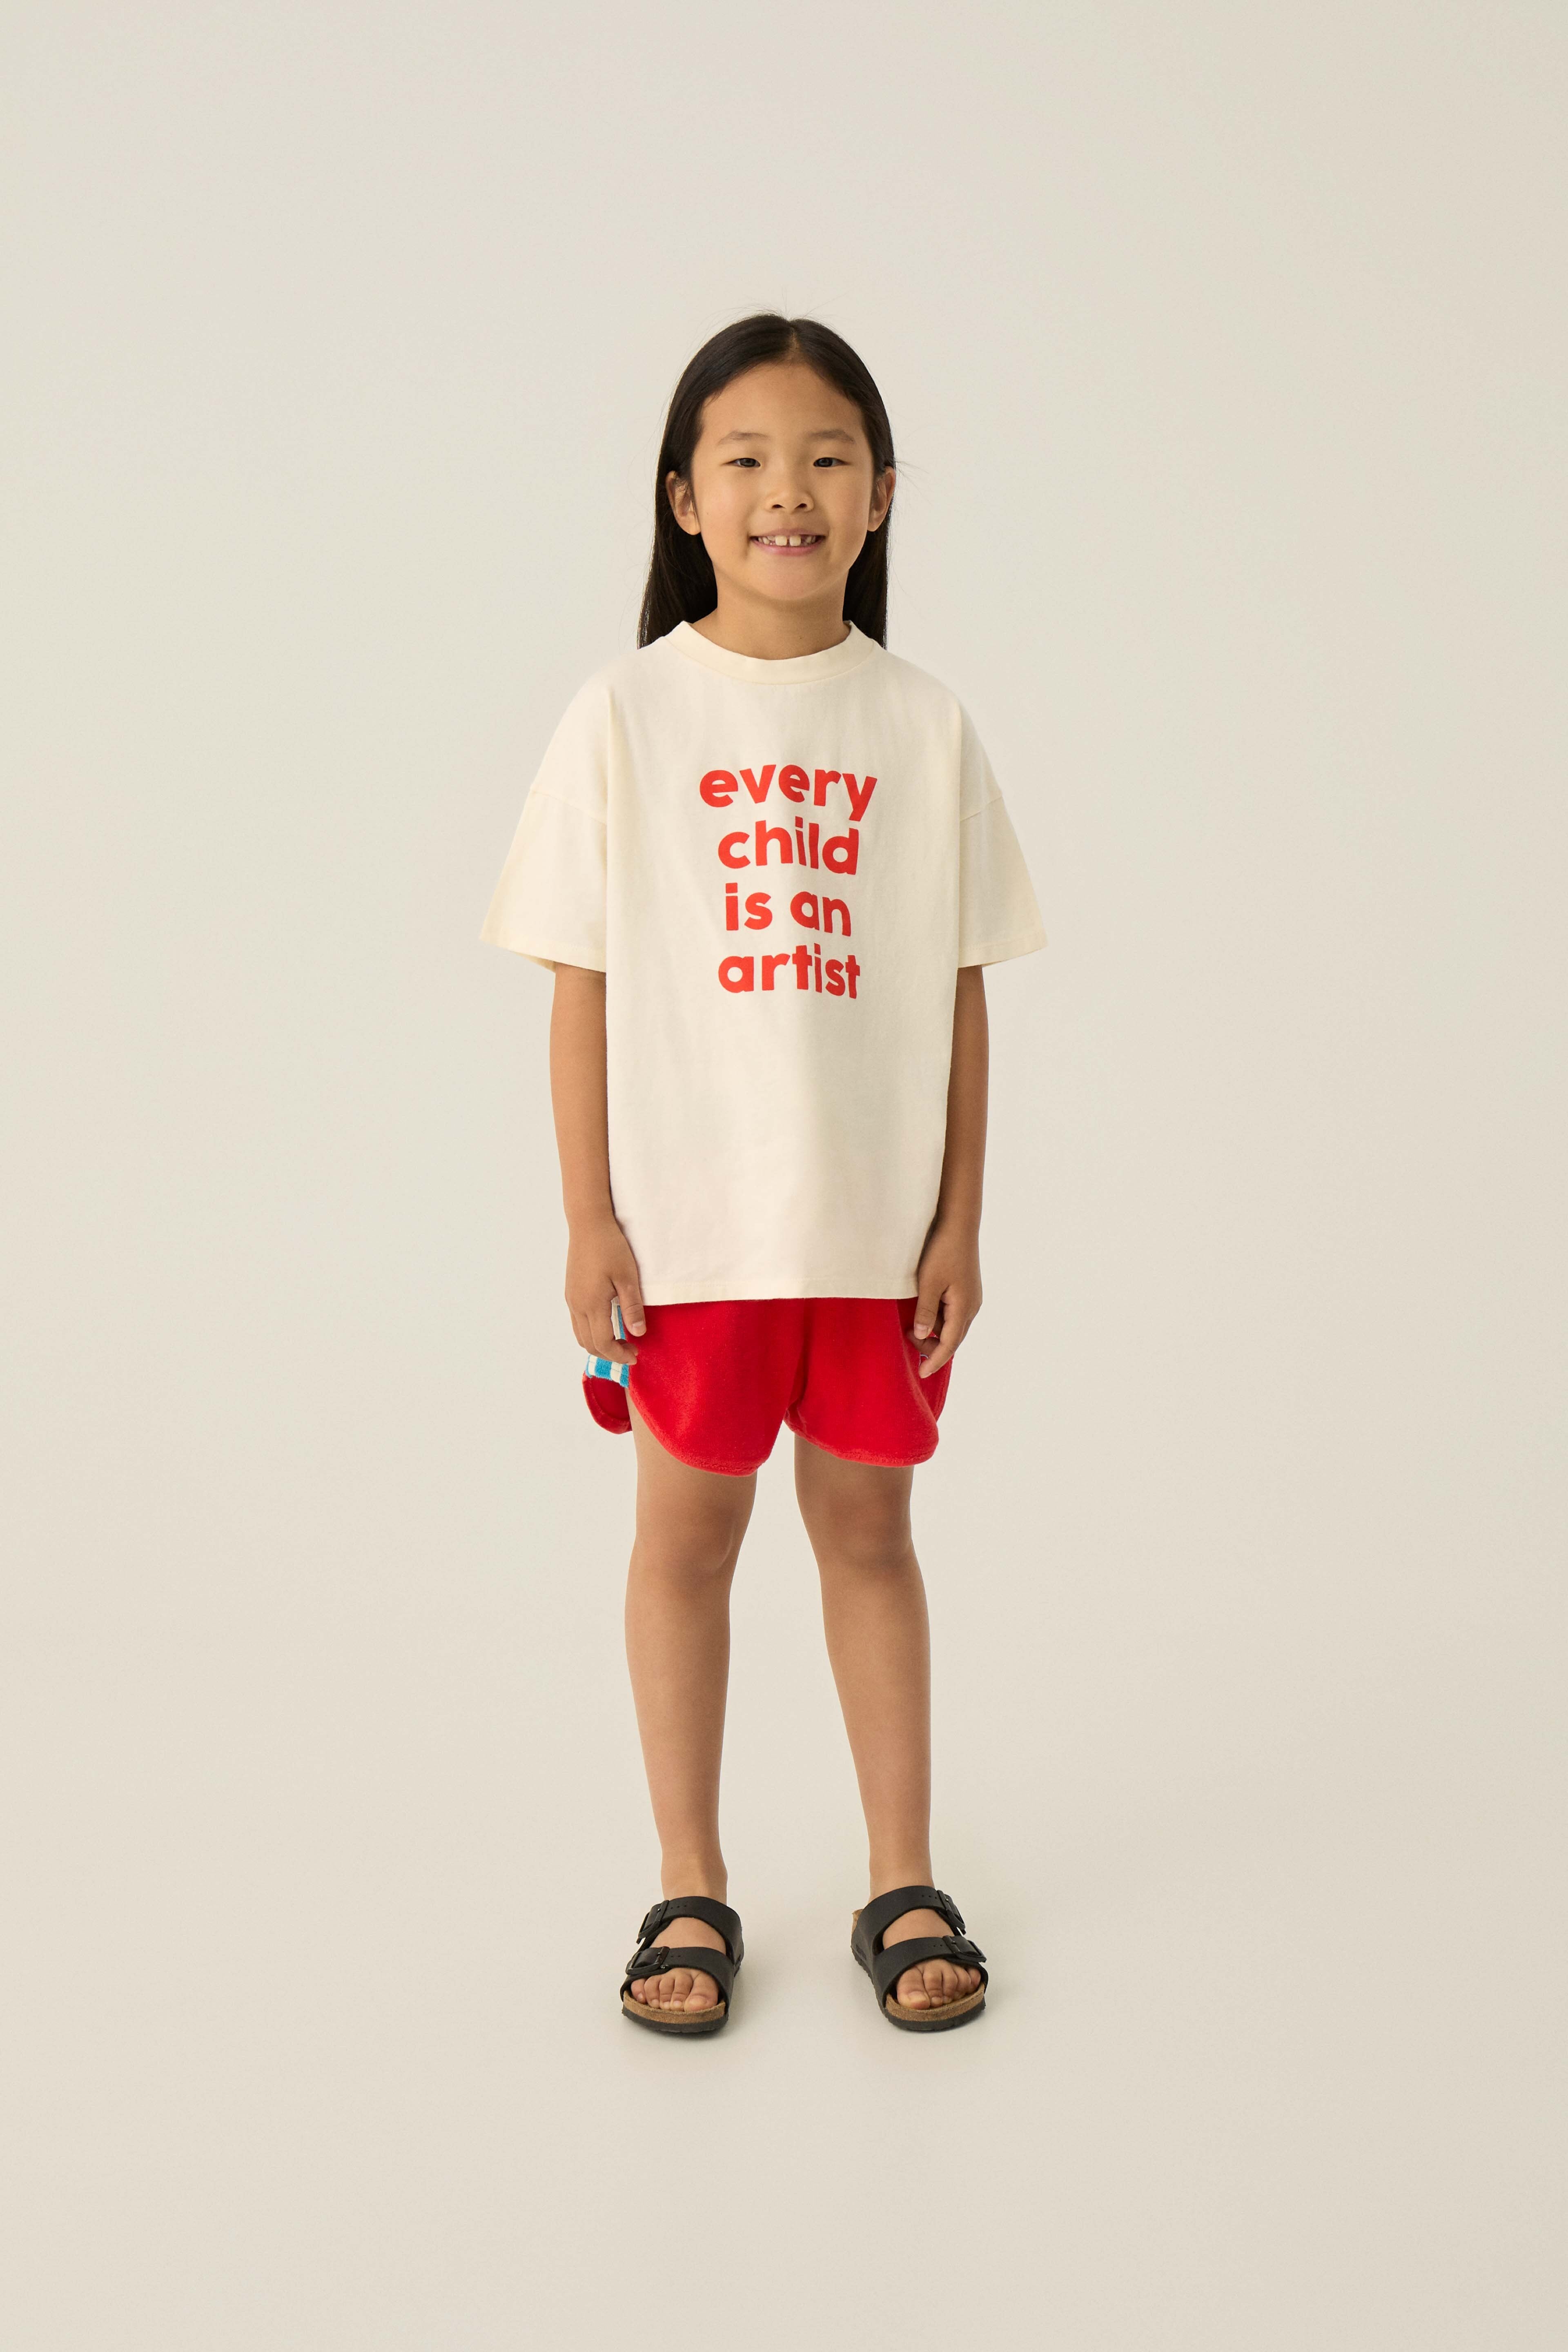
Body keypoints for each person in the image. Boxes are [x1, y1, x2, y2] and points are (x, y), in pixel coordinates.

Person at [481, 314, 1046, 2035]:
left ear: (881, 495)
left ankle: (901, 1874)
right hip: (691, 1231)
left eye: (825, 458)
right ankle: (689, 1881)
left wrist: (959, 1218)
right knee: (688, 1537)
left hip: (871, 1234)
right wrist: (589, 1217)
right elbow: (579, 986)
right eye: (745, 459)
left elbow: (960, 991)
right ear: (685, 498)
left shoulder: (923, 724)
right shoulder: (626, 714)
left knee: (870, 1532)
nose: (786, 491)